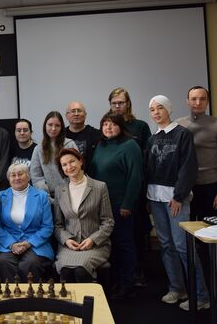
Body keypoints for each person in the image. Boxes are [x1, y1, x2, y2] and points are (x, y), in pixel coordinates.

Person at [146, 95, 210, 311]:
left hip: (175, 199)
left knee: (183, 246)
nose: (156, 112)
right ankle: (177, 288)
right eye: (152, 109)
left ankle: (201, 296)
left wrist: (179, 196)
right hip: (155, 198)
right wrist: (147, 196)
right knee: (166, 245)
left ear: (169, 109)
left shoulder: (182, 134)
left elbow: (188, 167)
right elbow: (149, 169)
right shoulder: (152, 138)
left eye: (160, 108)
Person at [90, 113, 143, 299]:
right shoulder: (101, 145)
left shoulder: (130, 146)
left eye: (112, 124)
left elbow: (135, 177)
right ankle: (114, 283)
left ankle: (128, 284)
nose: (108, 128)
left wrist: (127, 204)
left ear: (121, 126)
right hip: (102, 205)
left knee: (123, 244)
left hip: (121, 205)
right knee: (109, 244)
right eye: (105, 124)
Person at [107, 87, 152, 288]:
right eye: (114, 103)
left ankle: (138, 271)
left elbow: (147, 160)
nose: (117, 106)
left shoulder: (140, 127)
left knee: (137, 231)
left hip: (135, 189)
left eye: (121, 103)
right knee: (119, 235)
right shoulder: (108, 127)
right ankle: (122, 273)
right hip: (114, 193)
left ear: (128, 104)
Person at [176, 86, 217, 220]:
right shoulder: (178, 125)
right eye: (194, 99)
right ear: (187, 101)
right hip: (186, 187)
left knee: (212, 229)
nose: (198, 103)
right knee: (187, 229)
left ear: (207, 101)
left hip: (212, 187)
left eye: (202, 99)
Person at [54, 148, 114, 283]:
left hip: (95, 245)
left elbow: (108, 221)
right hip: (70, 246)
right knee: (65, 271)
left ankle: (90, 298)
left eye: (72, 161)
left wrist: (93, 239)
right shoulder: (59, 190)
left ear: (80, 161)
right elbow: (58, 225)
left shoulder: (100, 187)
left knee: (81, 270)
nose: (69, 167)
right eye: (64, 164)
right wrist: (67, 240)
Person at [0, 163, 53, 282]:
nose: (17, 178)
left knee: (31, 263)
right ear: (8, 178)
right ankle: (10, 293)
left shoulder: (41, 196)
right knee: (3, 261)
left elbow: (47, 226)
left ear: (28, 176)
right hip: (9, 243)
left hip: (35, 244)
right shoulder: (0, 197)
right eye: (13, 175)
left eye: (20, 174)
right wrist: (12, 244)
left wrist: (29, 243)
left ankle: (30, 294)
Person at [30, 111, 77, 197]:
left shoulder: (70, 144)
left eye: (57, 125)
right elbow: (36, 177)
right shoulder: (38, 149)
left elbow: (77, 170)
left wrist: (69, 194)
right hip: (47, 197)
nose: (53, 128)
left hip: (70, 195)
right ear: (45, 126)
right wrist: (47, 196)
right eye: (50, 125)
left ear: (61, 127)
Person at [64, 102, 101, 174]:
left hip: (91, 178)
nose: (76, 114)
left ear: (85, 115)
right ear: (66, 116)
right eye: (73, 111)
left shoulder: (96, 134)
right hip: (67, 178)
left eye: (79, 111)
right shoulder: (60, 135)